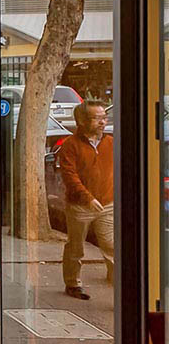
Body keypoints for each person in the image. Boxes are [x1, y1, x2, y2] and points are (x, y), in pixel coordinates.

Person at [58, 101, 114, 300]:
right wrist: (88, 198)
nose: (102, 122)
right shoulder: (70, 146)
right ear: (81, 121)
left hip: (107, 204)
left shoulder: (110, 143)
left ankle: (119, 283)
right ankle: (73, 283)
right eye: (97, 118)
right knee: (76, 246)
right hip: (80, 206)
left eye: (104, 117)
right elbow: (70, 176)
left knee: (111, 245)